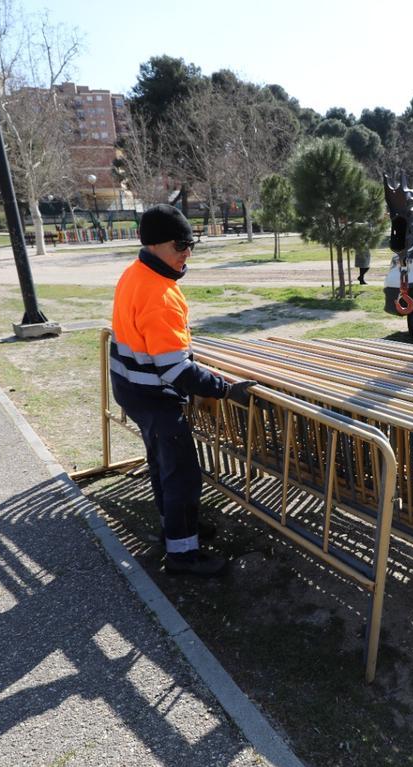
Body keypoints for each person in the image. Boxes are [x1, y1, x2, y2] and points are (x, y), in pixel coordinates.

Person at [110, 204, 255, 577]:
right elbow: (176, 370)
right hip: (154, 398)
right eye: (181, 245)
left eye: (192, 243)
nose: (188, 252)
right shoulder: (160, 294)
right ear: (155, 245)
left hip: (131, 390)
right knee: (183, 476)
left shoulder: (134, 273)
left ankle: (176, 529)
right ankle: (183, 554)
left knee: (162, 466)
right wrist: (226, 390)